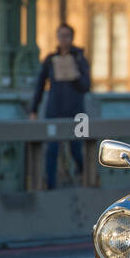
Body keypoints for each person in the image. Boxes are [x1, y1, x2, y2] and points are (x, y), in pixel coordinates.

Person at [29, 23, 92, 189]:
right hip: (54, 111)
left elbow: (86, 87)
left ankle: (84, 175)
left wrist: (74, 74)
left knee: (76, 149)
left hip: (78, 113)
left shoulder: (80, 59)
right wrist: (34, 109)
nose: (63, 39)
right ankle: (51, 186)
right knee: (52, 150)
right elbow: (40, 86)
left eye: (66, 36)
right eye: (60, 35)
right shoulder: (50, 60)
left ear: (72, 38)